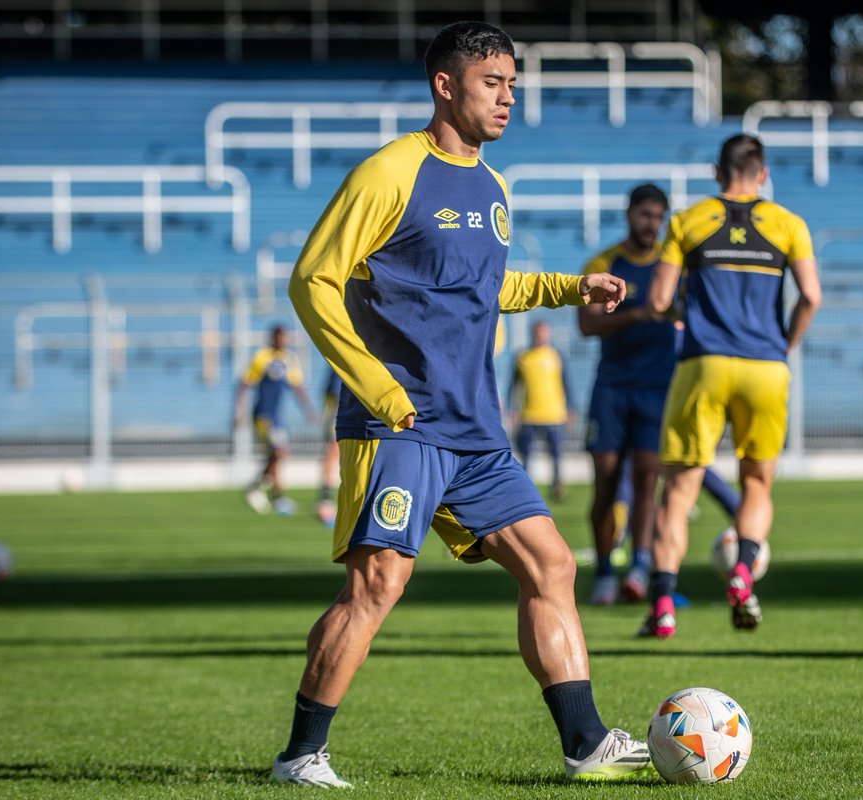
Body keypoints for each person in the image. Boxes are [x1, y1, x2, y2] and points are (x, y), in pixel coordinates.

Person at [277, 21, 651, 787]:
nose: (509, 97)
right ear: (445, 85)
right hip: (399, 423)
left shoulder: (493, 185)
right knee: (377, 584)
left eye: (514, 83)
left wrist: (569, 286)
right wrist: (375, 384)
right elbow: (313, 278)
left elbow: (481, 289)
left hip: (475, 430)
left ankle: (584, 742)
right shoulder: (389, 173)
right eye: (493, 82)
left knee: (551, 565)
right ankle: (300, 756)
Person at [640, 133, 821, 638]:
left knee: (677, 492)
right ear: (761, 174)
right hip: (766, 366)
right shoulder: (789, 224)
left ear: (718, 174)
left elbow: (657, 302)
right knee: (757, 483)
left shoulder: (687, 221)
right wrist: (785, 344)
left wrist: (683, 311)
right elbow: (810, 295)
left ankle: (663, 603)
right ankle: (743, 571)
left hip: (704, 364)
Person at [578, 183, 675, 605]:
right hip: (612, 389)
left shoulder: (672, 266)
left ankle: (638, 566)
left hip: (657, 390)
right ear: (629, 214)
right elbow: (588, 324)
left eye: (658, 217)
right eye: (645, 215)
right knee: (606, 483)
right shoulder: (604, 263)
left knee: (647, 482)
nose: (651, 224)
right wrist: (640, 313)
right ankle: (603, 571)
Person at [233, 324, 317, 516]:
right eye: (279, 337)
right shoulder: (262, 357)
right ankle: (260, 488)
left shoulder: (289, 359)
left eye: (284, 337)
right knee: (278, 452)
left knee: (277, 456)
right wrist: (239, 411)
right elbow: (244, 384)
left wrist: (309, 410)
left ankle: (274, 495)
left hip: (277, 417)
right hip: (262, 415)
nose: (282, 340)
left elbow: (297, 386)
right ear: (272, 338)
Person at [509, 321, 572, 500]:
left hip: (554, 414)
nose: (541, 336)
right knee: (526, 455)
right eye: (538, 333)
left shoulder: (557, 355)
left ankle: (557, 486)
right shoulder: (522, 356)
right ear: (533, 334)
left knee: (556, 454)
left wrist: (570, 408)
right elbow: (514, 386)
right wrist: (512, 409)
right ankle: (526, 487)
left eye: (544, 332)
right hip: (529, 414)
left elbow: (566, 383)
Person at [316, 370, 344, 526]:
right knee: (332, 450)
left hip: (347, 410)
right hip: (340, 411)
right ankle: (325, 500)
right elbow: (333, 391)